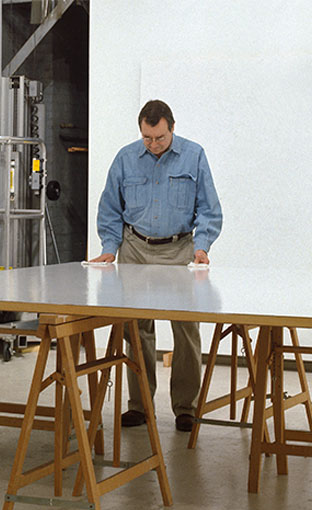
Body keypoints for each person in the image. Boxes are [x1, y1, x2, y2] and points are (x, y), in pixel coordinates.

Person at [89, 99, 222, 432]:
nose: (153, 145)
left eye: (159, 138)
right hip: (136, 248)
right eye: (147, 138)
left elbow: (209, 208)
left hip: (179, 250)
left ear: (172, 128)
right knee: (137, 330)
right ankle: (140, 405)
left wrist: (202, 246)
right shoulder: (125, 158)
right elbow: (109, 208)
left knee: (186, 330)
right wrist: (110, 247)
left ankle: (185, 408)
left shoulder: (194, 155)